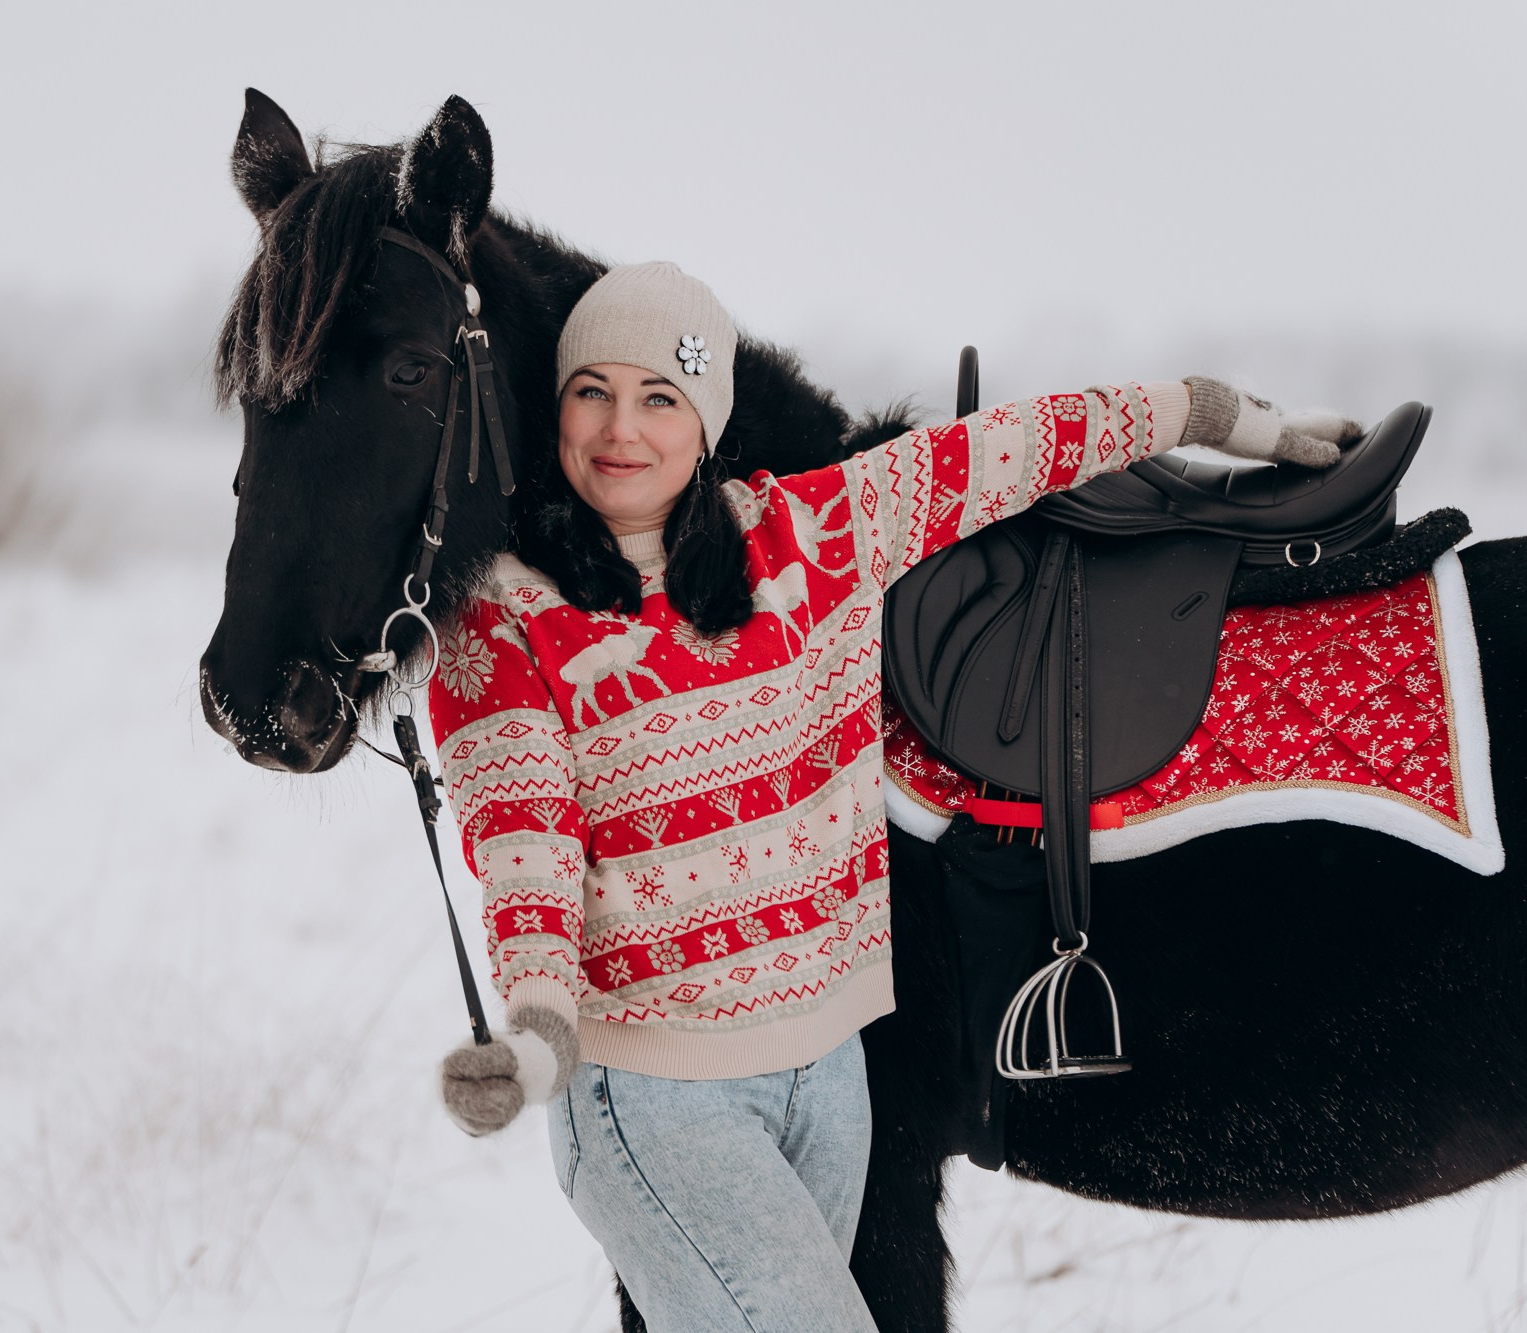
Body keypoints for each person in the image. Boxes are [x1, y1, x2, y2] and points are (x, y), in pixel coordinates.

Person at [426, 261, 1352, 1331]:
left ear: (707, 421)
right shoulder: (505, 613)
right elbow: (521, 835)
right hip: (655, 1098)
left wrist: (1211, 412)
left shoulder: (813, 533)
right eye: (590, 390)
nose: (618, 428)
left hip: (824, 1073)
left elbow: (1017, 446)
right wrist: (535, 1024)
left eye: (658, 397)